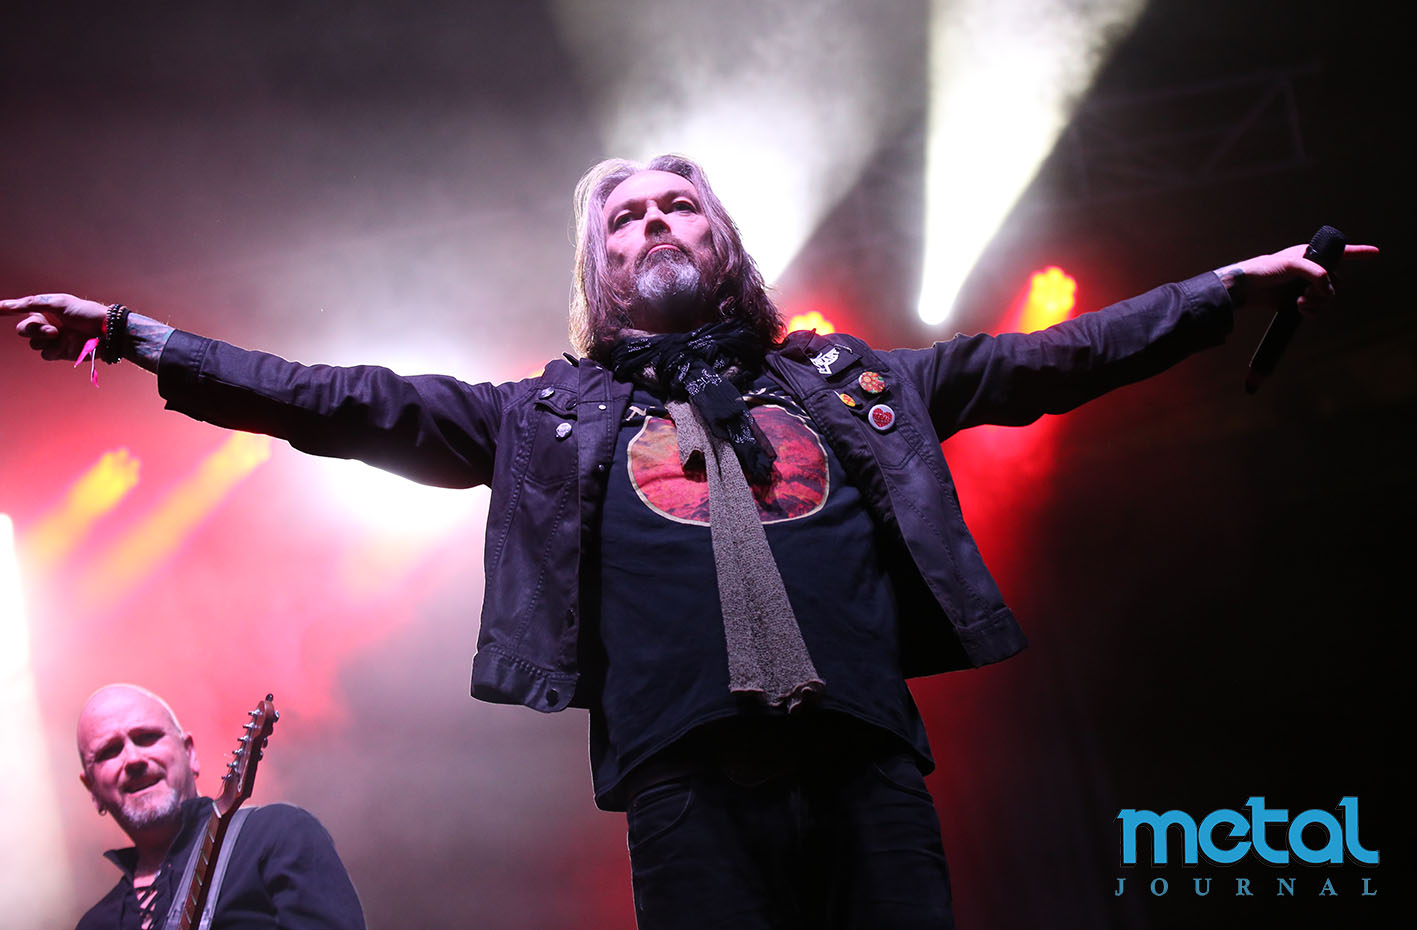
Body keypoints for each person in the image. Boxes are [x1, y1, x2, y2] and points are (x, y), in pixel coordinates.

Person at [6, 155, 1376, 929]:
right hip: (686, 783)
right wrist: (142, 336)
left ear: (721, 242)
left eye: (678, 207)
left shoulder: (848, 382)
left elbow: (1045, 359)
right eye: (625, 217)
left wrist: (1220, 290)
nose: (654, 223)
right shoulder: (545, 416)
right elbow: (342, 399)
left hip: (863, 762)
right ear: (597, 271)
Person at [73, 683, 366, 930]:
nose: (133, 759)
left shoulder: (278, 836)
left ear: (190, 753)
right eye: (109, 751)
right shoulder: (95, 924)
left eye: (147, 737)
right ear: (92, 790)